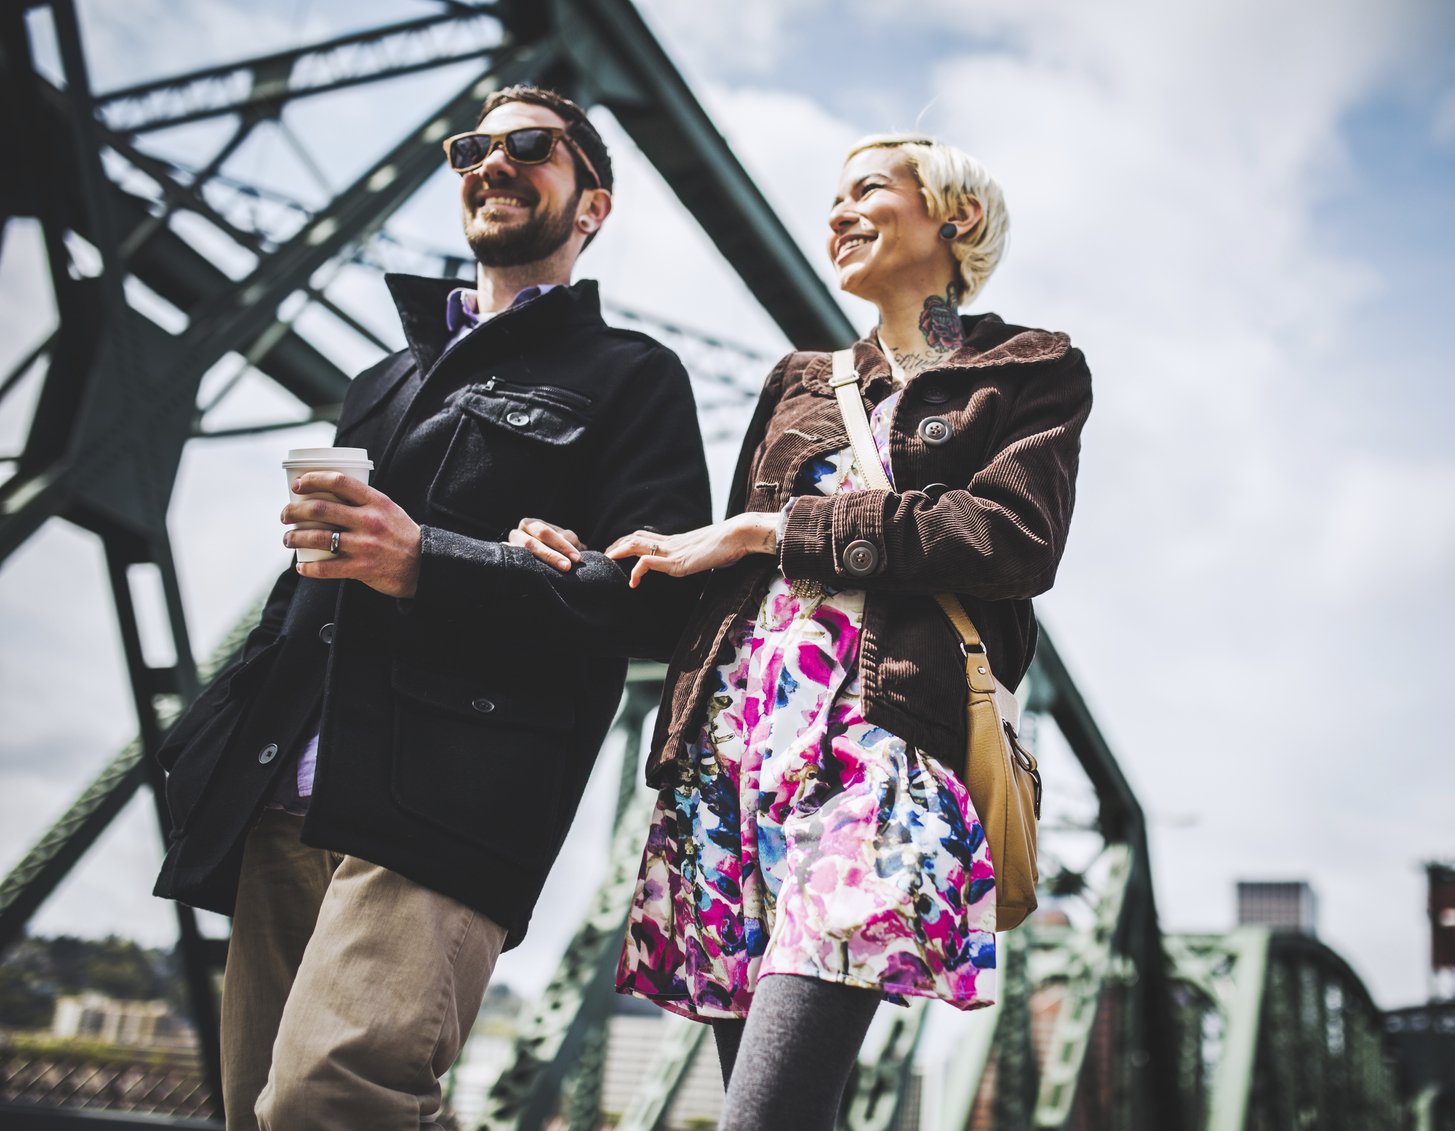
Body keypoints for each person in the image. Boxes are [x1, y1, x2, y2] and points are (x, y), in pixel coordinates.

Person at [151, 86, 712, 1130]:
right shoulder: (384, 378)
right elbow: (303, 592)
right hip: (284, 793)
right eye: (472, 148)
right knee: (256, 1111)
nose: (491, 164)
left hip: (446, 799)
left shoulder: (632, 377)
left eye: (530, 147)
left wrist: (431, 563)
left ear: (591, 206)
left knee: (333, 1101)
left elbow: (659, 606)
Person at [510, 133, 1092, 1130]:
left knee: (765, 1114)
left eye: (868, 190)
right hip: (732, 758)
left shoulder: (1025, 369)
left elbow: (1008, 538)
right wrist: (587, 558)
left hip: (882, 747)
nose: (836, 214)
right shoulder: (801, 381)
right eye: (831, 197)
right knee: (779, 1108)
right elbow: (720, 569)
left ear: (953, 215)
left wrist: (775, 528)